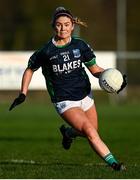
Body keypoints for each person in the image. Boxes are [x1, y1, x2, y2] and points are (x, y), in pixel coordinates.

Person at [9, 7, 127, 171]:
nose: (63, 28)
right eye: (59, 25)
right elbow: (30, 69)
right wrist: (23, 93)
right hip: (64, 100)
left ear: (72, 25)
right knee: (90, 132)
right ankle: (114, 164)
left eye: (66, 24)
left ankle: (69, 133)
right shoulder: (46, 51)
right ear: (53, 26)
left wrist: (115, 80)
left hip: (85, 95)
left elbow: (95, 70)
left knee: (92, 131)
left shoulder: (80, 45)